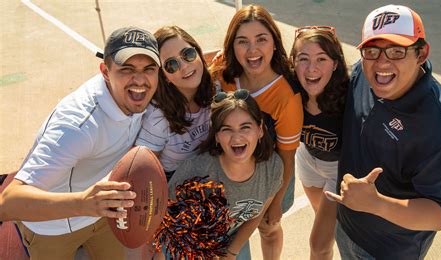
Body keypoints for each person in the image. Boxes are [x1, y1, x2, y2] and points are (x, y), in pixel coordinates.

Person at [0, 27, 160, 259]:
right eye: (126, 69)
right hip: (51, 227)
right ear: (105, 71)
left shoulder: (142, 93)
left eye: (149, 69)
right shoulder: (77, 127)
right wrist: (85, 203)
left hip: (103, 213)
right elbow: (8, 203)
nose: (139, 80)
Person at [325, 5, 441, 259]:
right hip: (347, 227)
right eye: (372, 50)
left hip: (390, 250)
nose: (381, 62)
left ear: (421, 53)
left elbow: (439, 214)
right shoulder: (362, 72)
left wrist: (376, 203)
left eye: (396, 51)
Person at [210, 5, 303, 259]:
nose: (252, 50)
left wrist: (275, 200)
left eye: (261, 39)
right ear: (232, 46)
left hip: (272, 175)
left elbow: (287, 156)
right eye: (243, 42)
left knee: (268, 227)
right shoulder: (226, 75)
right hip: (234, 171)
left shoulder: (287, 95)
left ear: (274, 43)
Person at [167, 89, 283, 259]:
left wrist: (230, 253)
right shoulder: (196, 171)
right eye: (227, 129)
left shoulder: (272, 168)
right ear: (216, 136)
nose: (237, 138)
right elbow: (165, 219)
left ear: (260, 130)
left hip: (229, 241)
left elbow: (256, 214)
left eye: (245, 127)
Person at [289, 26, 349, 260]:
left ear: (335, 63)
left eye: (321, 59)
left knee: (319, 244)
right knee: (323, 224)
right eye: (303, 59)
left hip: (338, 169)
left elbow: (395, 88)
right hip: (306, 160)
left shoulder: (351, 92)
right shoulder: (289, 88)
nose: (312, 68)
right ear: (293, 62)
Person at [135, 25, 214, 181]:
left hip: (209, 170)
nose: (184, 66)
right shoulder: (158, 118)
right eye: (171, 65)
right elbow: (142, 170)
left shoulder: (215, 88)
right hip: (173, 182)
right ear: (164, 76)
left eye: (188, 54)